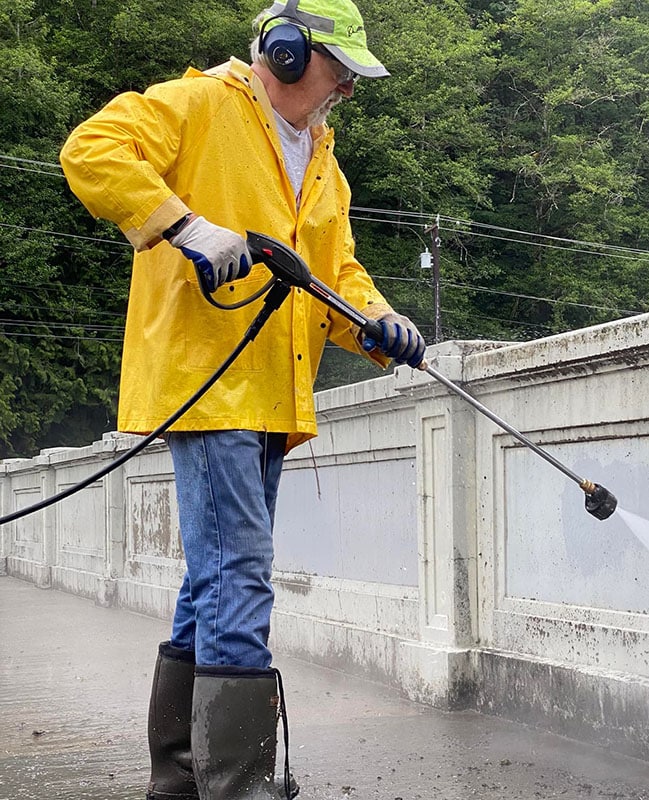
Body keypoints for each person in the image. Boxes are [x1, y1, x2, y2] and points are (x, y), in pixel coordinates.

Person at [59, 0, 425, 798]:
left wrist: (381, 323)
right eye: (340, 73)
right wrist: (184, 226)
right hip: (208, 382)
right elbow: (91, 150)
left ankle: (182, 779)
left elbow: (337, 277)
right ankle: (240, 788)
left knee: (212, 581)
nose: (347, 92)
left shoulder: (321, 157)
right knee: (242, 578)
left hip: (270, 394)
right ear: (287, 54)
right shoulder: (198, 105)